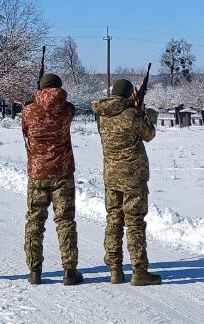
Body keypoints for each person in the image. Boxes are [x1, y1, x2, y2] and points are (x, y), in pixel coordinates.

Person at [91, 78, 161, 286]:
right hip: (133, 176)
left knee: (113, 218)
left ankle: (115, 268)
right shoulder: (132, 115)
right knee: (134, 221)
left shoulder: (102, 115)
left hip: (111, 175)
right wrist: (141, 112)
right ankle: (139, 270)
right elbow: (149, 135)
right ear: (129, 94)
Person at [21, 73, 82, 286]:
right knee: (65, 220)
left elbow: (25, 132)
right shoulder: (68, 110)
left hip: (37, 173)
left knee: (35, 221)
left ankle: (35, 271)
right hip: (63, 172)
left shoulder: (28, 111)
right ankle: (69, 270)